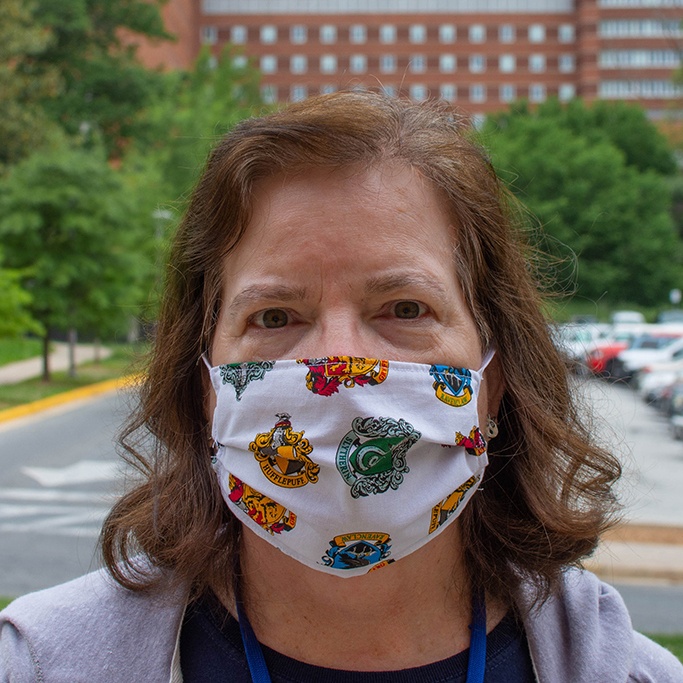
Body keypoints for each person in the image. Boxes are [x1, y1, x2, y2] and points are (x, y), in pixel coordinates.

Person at [1, 91, 681, 683]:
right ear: (205, 384)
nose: (339, 369)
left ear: (493, 375)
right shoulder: (36, 665)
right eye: (273, 316)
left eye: (405, 308)